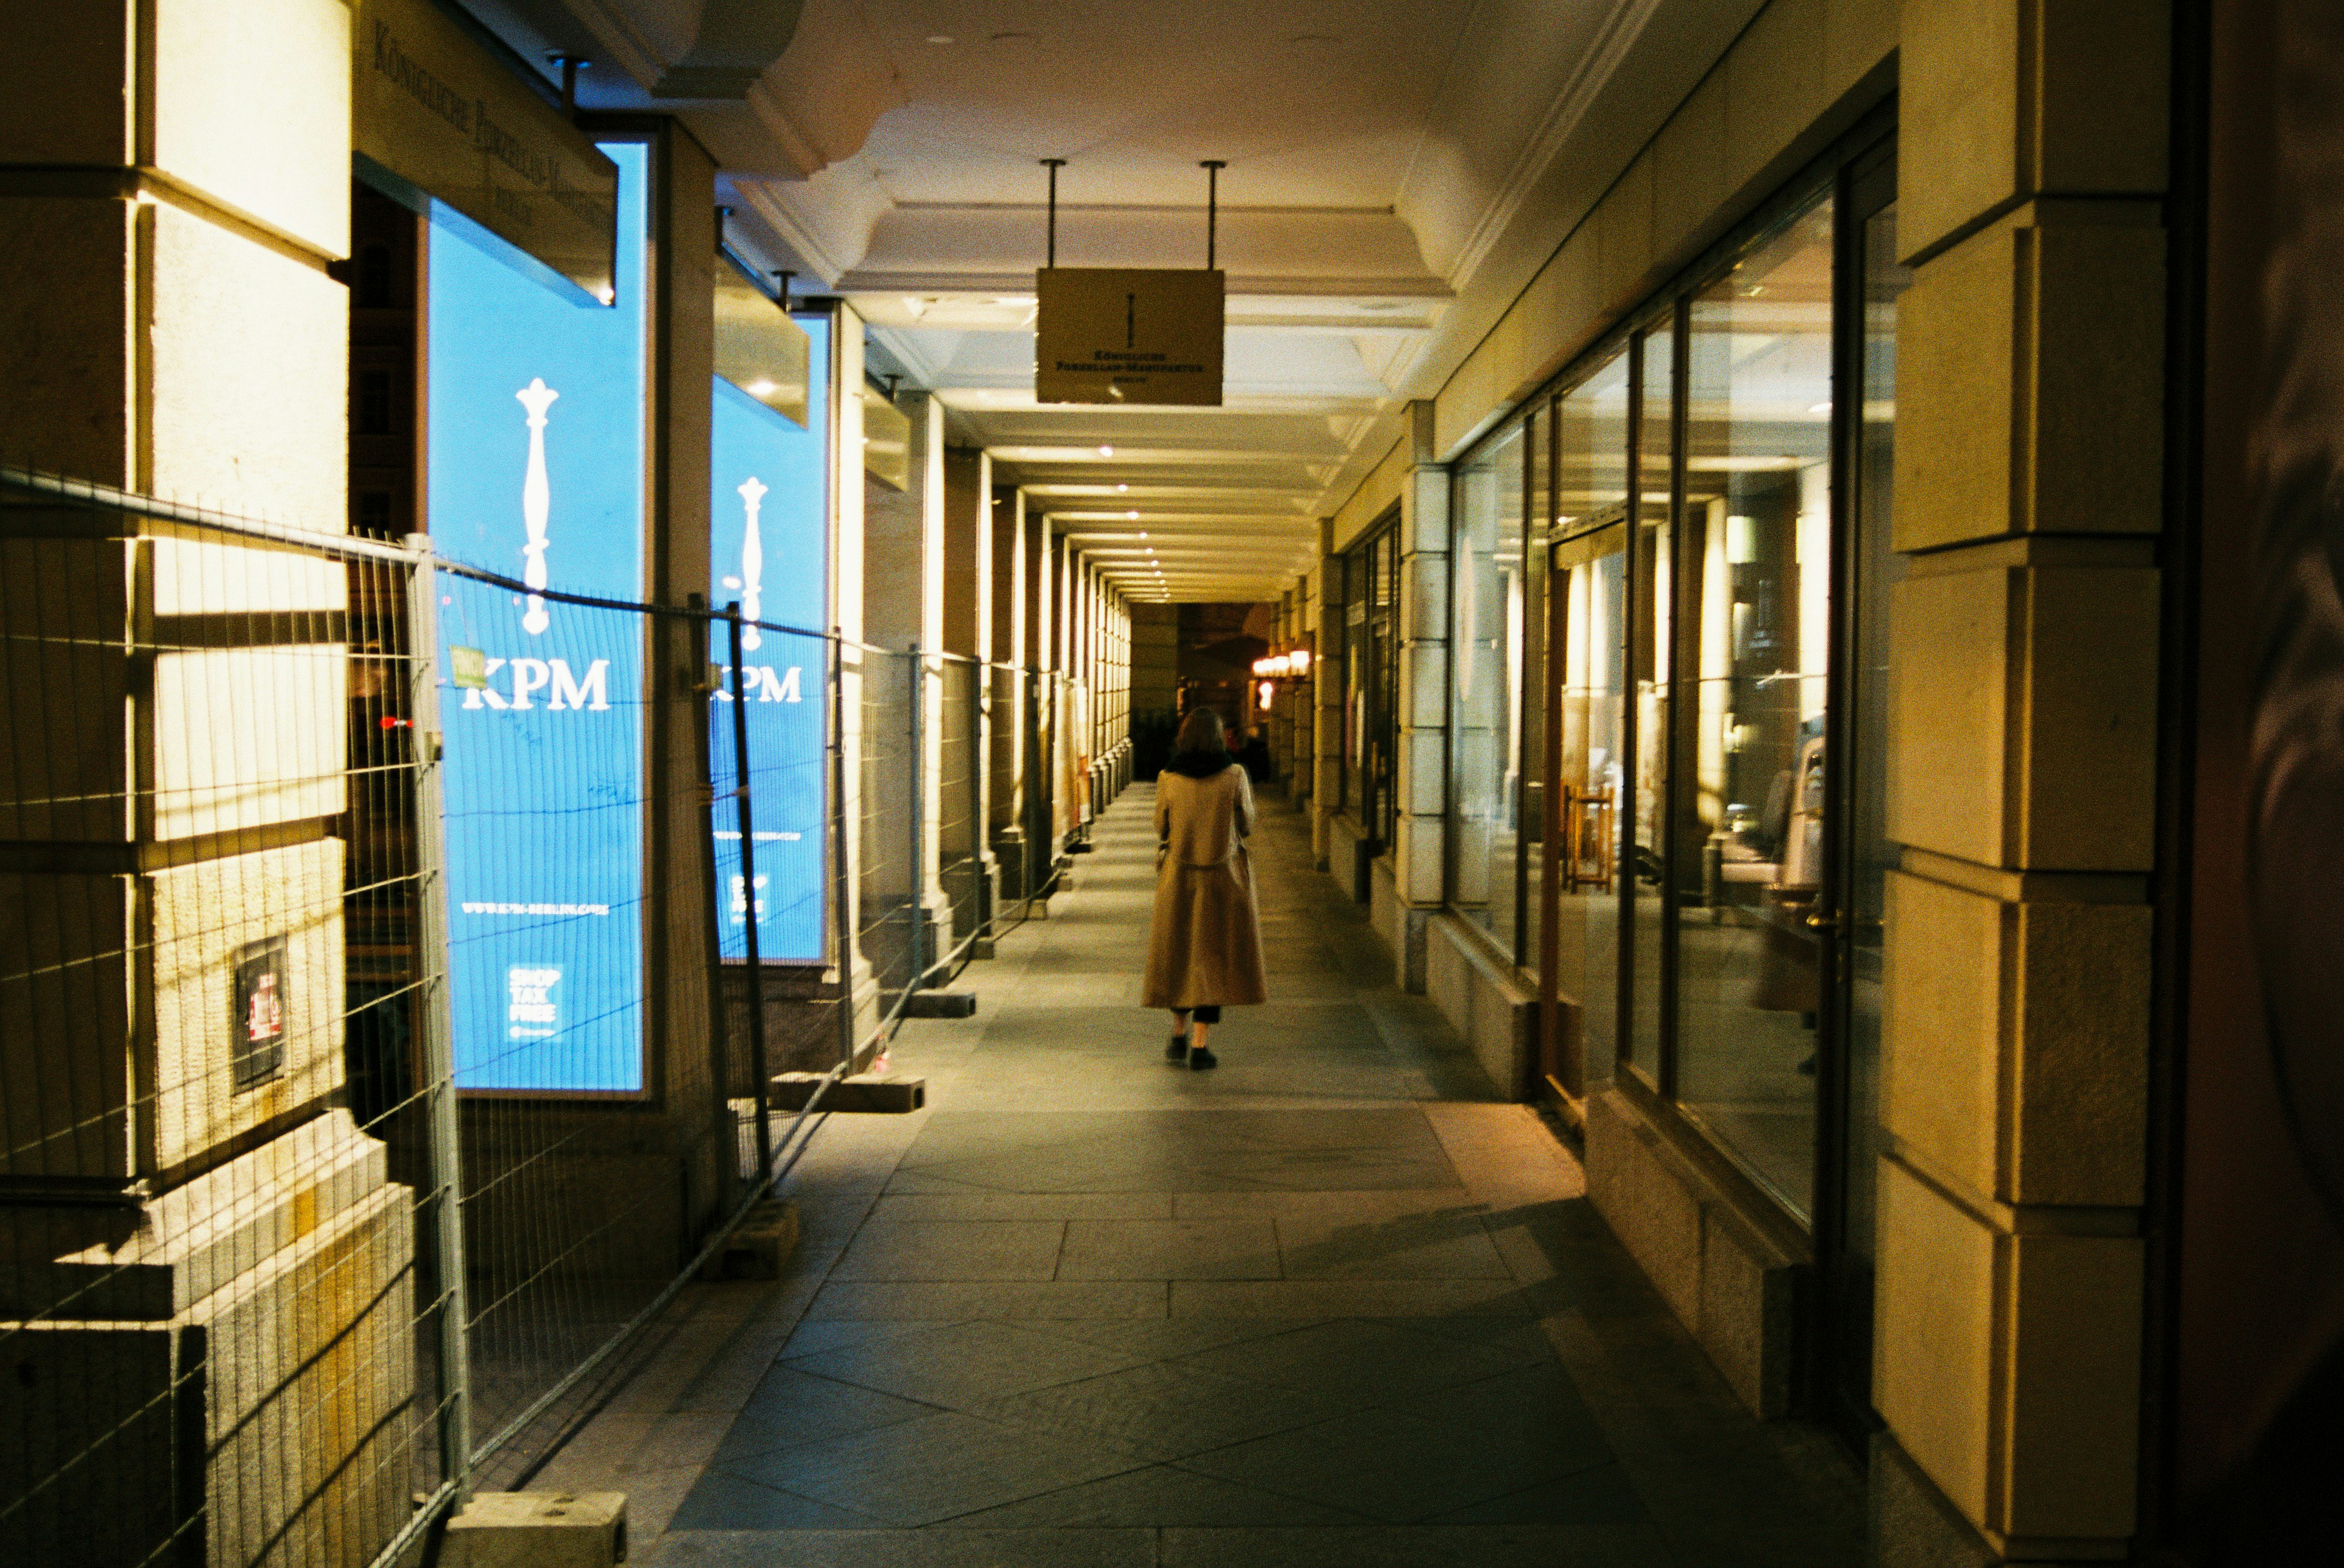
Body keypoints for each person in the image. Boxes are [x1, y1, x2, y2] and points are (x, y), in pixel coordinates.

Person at [1143, 707, 1267, 1069]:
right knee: (1213, 957)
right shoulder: (1234, 776)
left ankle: (1177, 1035)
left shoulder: (1168, 777)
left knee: (1179, 953)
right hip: (1222, 879)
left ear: (1184, 737)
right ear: (1218, 737)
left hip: (1179, 878)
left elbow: (1161, 826)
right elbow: (1247, 823)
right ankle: (1200, 1045)